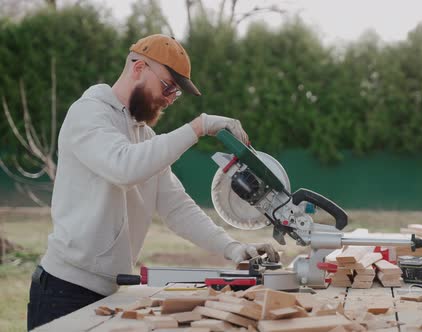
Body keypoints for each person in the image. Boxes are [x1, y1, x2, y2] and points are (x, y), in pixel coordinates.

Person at [27, 34, 279, 330]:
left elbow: (177, 208)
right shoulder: (88, 114)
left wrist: (233, 247)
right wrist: (198, 127)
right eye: (168, 86)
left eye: (176, 93)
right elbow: (124, 168)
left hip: (106, 292)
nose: (170, 99)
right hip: (63, 290)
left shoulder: (143, 136)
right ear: (138, 68)